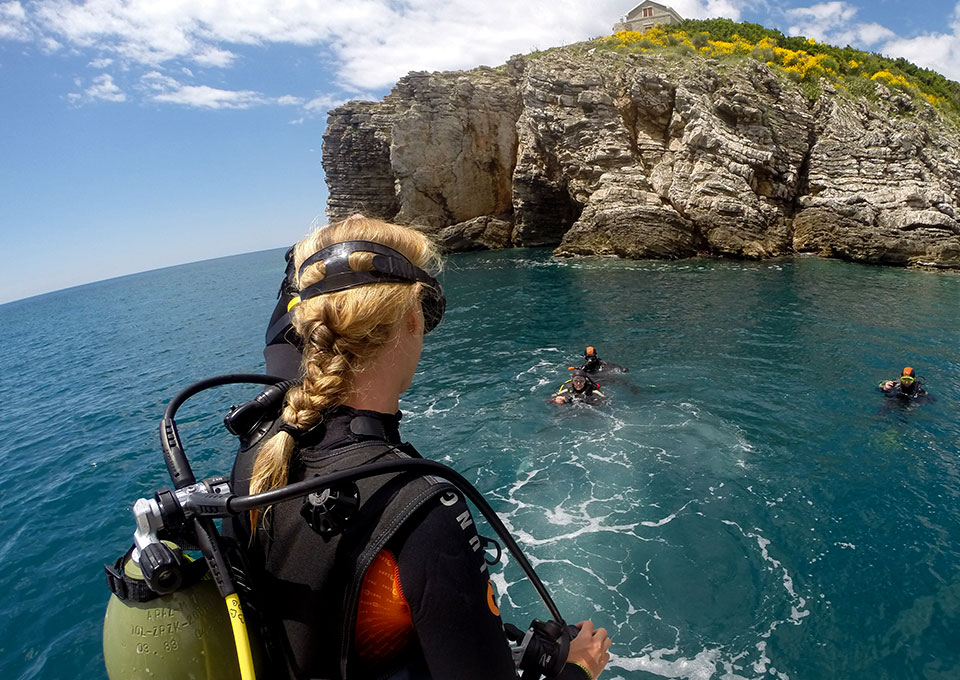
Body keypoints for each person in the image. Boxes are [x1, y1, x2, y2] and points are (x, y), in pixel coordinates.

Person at [230, 215, 612, 680]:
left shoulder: (267, 443)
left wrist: (308, 266)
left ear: (309, 323)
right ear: (415, 319)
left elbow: (279, 344)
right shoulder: (417, 510)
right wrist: (577, 667)